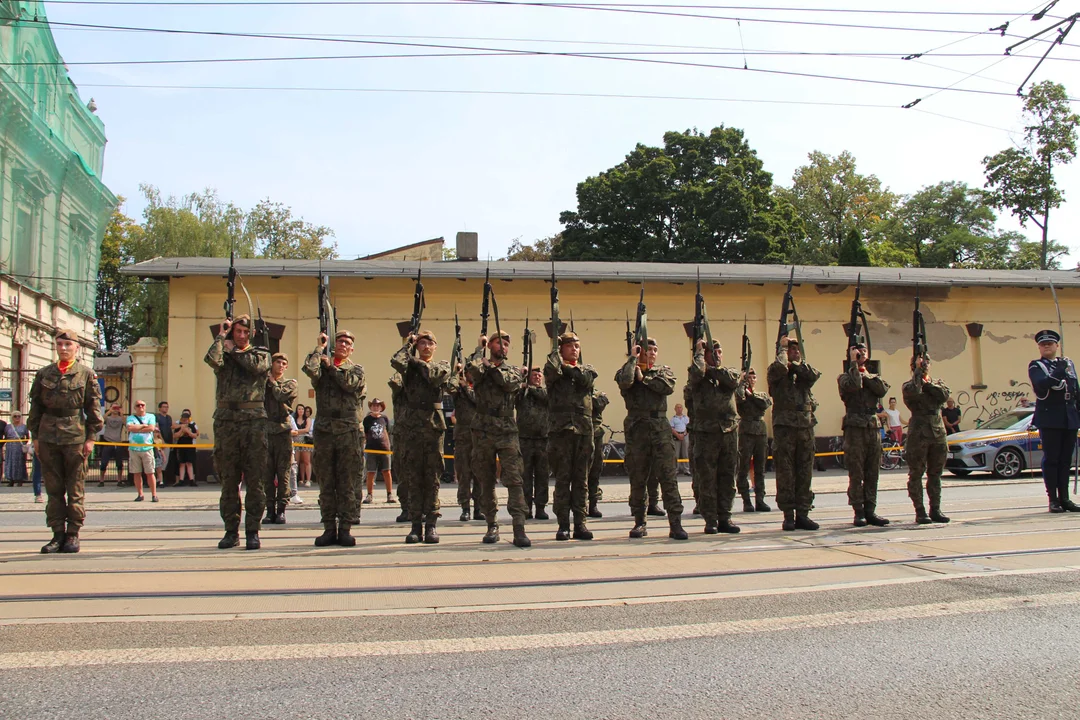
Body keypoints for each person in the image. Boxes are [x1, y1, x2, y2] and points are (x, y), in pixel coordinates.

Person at [27, 327, 103, 553]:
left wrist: (90, 438)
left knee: (75, 487)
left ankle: (73, 534)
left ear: (76, 348)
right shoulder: (44, 374)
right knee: (53, 488)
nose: (63, 348)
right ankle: (57, 534)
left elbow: (94, 409)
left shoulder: (85, 374)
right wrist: (36, 438)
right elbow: (36, 408)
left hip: (75, 436)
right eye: (59, 344)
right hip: (48, 435)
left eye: (68, 345)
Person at [204, 315, 271, 550]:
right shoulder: (224, 349)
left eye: (245, 332)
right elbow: (211, 360)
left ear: (251, 334)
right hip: (226, 423)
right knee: (228, 481)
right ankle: (230, 531)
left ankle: (253, 530)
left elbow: (256, 367)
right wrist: (221, 335)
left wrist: (233, 352)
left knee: (255, 481)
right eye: (237, 332)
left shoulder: (260, 353)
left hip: (253, 424)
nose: (241, 336)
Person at [615, 337, 686, 540]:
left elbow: (667, 387)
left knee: (668, 477)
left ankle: (676, 523)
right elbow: (625, 382)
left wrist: (644, 378)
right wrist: (632, 360)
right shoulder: (626, 369)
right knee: (638, 478)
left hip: (660, 430)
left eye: (655, 349)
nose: (652, 353)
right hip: (637, 430)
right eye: (648, 350)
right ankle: (639, 522)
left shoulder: (663, 371)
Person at [467, 330, 532, 547]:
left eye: (505, 343)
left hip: (506, 430)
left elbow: (507, 383)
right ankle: (491, 524)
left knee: (514, 479)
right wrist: (479, 348)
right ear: (490, 346)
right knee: (485, 481)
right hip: (483, 429)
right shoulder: (479, 366)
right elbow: (471, 370)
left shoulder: (513, 371)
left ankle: (519, 527)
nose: (502, 347)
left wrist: (490, 367)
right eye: (497, 343)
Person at [304, 329, 366, 547]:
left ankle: (346, 528)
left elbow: (349, 384)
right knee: (327, 481)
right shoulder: (321, 363)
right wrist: (319, 347)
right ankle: (329, 527)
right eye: (339, 341)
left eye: (347, 342)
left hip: (348, 431)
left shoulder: (356, 369)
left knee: (347, 481)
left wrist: (331, 366)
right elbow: (309, 370)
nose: (343, 345)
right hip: (325, 430)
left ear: (352, 348)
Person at [392, 330, 450, 544]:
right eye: (422, 343)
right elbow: (395, 361)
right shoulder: (408, 366)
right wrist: (408, 344)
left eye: (429, 343)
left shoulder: (442, 365)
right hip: (412, 426)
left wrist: (415, 362)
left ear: (435, 346)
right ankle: (416, 525)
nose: (425, 347)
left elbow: (434, 377)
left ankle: (431, 524)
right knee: (413, 476)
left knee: (432, 477)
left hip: (433, 425)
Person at [544, 331, 597, 541]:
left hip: (583, 431)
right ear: (561, 349)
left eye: (577, 346)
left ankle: (580, 523)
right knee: (563, 479)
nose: (574, 349)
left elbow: (584, 380)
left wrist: (567, 368)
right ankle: (563, 524)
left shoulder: (587, 369)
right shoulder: (553, 368)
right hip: (561, 431)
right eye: (569, 346)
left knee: (581, 480)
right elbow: (550, 371)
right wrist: (556, 353)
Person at [687, 339, 741, 535]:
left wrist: (712, 368)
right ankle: (710, 519)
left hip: (728, 431)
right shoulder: (698, 374)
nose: (717, 355)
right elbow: (697, 373)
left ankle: (725, 516)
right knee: (707, 478)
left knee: (728, 476)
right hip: (706, 432)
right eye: (712, 351)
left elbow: (733, 380)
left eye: (719, 351)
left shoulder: (729, 372)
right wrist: (700, 354)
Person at [767, 335, 821, 532]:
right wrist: (782, 350)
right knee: (786, 473)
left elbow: (814, 375)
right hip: (785, 429)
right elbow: (779, 369)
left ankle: (803, 514)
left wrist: (797, 364)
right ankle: (788, 515)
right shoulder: (776, 370)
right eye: (791, 350)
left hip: (805, 428)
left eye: (797, 349)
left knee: (805, 473)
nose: (795, 352)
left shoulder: (803, 371)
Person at [837, 343, 890, 527]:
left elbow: (881, 390)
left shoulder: (873, 377)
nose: (862, 353)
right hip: (855, 428)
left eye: (864, 350)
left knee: (872, 471)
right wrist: (854, 364)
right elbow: (853, 385)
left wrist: (864, 372)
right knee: (856, 472)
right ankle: (858, 511)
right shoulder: (844, 377)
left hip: (872, 427)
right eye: (858, 350)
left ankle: (870, 510)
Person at [1028, 329, 1080, 513]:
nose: (1047, 346)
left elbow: (1075, 389)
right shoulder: (1036, 366)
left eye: (1050, 343)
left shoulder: (1068, 364)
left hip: (1069, 417)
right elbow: (1041, 385)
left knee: (1066, 460)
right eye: (1043, 344)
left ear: (1057, 345)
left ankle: (1065, 498)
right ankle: (1053, 499)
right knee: (1052, 459)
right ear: (1039, 347)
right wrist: (1058, 372)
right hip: (1050, 417)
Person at [903, 354, 951, 524]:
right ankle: (920, 510)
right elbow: (914, 393)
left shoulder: (937, 383)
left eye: (926, 363)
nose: (924, 366)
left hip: (937, 431)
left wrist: (927, 382)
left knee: (935, 474)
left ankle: (935, 509)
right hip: (919, 433)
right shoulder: (909, 385)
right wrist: (918, 373)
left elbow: (943, 396)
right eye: (920, 364)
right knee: (916, 473)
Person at [264, 353, 298, 525]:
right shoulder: (263, 383)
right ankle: (269, 510)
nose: (281, 365)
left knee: (283, 472)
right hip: (266, 431)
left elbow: (280, 396)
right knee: (267, 473)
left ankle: (281, 510)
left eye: (284, 363)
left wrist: (271, 382)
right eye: (278, 362)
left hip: (283, 431)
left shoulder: (290, 384)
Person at [736, 367, 772, 513]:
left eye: (753, 376)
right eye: (748, 377)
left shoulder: (761, 394)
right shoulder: (741, 394)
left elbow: (765, 403)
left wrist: (752, 395)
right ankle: (746, 500)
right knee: (743, 467)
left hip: (760, 432)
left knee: (760, 468)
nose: (751, 379)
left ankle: (760, 499)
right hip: (746, 431)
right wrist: (741, 383)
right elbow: (738, 397)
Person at [517, 366, 550, 520]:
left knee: (543, 475)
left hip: (543, 439)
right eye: (534, 374)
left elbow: (545, 398)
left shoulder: (545, 392)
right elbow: (513, 397)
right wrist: (520, 379)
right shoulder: (522, 392)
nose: (537, 377)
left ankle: (541, 507)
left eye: (539, 374)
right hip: (524, 439)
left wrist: (529, 388)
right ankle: (526, 507)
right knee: (525, 476)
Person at [450, 365, 480, 521]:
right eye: (468, 372)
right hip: (463, 437)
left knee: (479, 475)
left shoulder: (480, 388)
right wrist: (456, 373)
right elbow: (449, 387)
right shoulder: (458, 390)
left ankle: (478, 508)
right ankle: (465, 508)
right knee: (464, 475)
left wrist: (465, 388)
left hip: (479, 436)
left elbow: (477, 399)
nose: (471, 375)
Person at [387, 372, 410, 522]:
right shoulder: (398, 382)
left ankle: (419, 509)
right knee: (402, 474)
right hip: (402, 434)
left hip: (418, 432)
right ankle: (406, 508)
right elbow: (394, 381)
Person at [363, 398, 394, 505]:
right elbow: (366, 433)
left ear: (381, 408)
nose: (375, 407)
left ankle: (389, 494)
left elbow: (388, 431)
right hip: (371, 448)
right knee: (370, 472)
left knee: (387, 471)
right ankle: (369, 494)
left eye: (377, 406)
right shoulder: (367, 420)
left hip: (384, 448)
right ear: (371, 407)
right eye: (373, 406)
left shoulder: (385, 418)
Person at [126, 401, 158, 503]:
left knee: (150, 472)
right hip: (134, 449)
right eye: (138, 405)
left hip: (147, 448)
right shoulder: (130, 418)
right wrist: (144, 426)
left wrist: (137, 428)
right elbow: (129, 428)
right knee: (136, 473)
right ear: (134, 407)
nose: (140, 407)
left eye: (142, 405)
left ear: (145, 407)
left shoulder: (151, 416)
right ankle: (140, 494)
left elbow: (151, 428)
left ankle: (154, 495)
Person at [586, 387, 609, 518]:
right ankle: (582, 504)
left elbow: (599, 404)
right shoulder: (576, 392)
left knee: (595, 471)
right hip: (581, 435)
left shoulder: (599, 394)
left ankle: (593, 504)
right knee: (581, 473)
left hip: (596, 436)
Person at [97, 404, 126, 487]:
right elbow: (101, 420)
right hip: (107, 442)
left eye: (117, 408)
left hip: (117, 442)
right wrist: (109, 411)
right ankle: (101, 480)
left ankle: (119, 480)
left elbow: (126, 424)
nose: (115, 409)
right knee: (104, 462)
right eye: (114, 408)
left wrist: (121, 413)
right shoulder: (108, 418)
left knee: (119, 463)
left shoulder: (121, 419)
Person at [3, 412, 29, 487]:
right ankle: (11, 479)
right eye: (15, 416)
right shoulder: (8, 427)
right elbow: (5, 436)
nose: (17, 418)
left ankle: (20, 479)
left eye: (19, 416)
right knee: (10, 462)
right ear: (12, 417)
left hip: (19, 447)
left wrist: (23, 444)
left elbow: (26, 437)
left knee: (20, 462)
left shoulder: (24, 427)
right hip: (10, 447)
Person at [173, 409, 198, 486]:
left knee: (189, 463)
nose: (185, 420)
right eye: (183, 419)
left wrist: (188, 431)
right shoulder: (178, 426)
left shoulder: (192, 425)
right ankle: (181, 480)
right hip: (180, 446)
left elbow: (195, 435)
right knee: (182, 463)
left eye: (186, 419)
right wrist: (181, 429)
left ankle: (191, 480)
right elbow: (175, 436)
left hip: (190, 446)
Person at [154, 401, 174, 487]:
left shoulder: (169, 418)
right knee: (158, 461)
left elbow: (171, 427)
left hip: (169, 442)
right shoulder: (157, 417)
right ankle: (158, 479)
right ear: (160, 408)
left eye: (167, 407)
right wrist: (162, 441)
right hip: (159, 443)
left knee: (165, 462)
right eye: (164, 407)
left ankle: (160, 479)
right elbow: (157, 429)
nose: (165, 408)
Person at [294, 405, 313, 487]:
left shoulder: (307, 419)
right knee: (296, 461)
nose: (301, 410)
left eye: (302, 409)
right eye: (299, 409)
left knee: (307, 461)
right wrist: (297, 432)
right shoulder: (294, 419)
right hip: (296, 441)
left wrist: (297, 431)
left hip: (306, 440)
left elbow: (307, 429)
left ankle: (308, 480)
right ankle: (298, 479)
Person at [670, 403, 691, 476]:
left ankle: (687, 470)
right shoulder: (673, 419)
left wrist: (683, 434)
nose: (679, 409)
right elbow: (672, 428)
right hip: (676, 436)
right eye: (677, 408)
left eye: (680, 407)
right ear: (675, 409)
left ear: (682, 409)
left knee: (686, 453)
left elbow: (688, 427)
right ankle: (676, 470)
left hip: (685, 436)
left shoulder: (686, 418)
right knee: (676, 454)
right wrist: (678, 435)